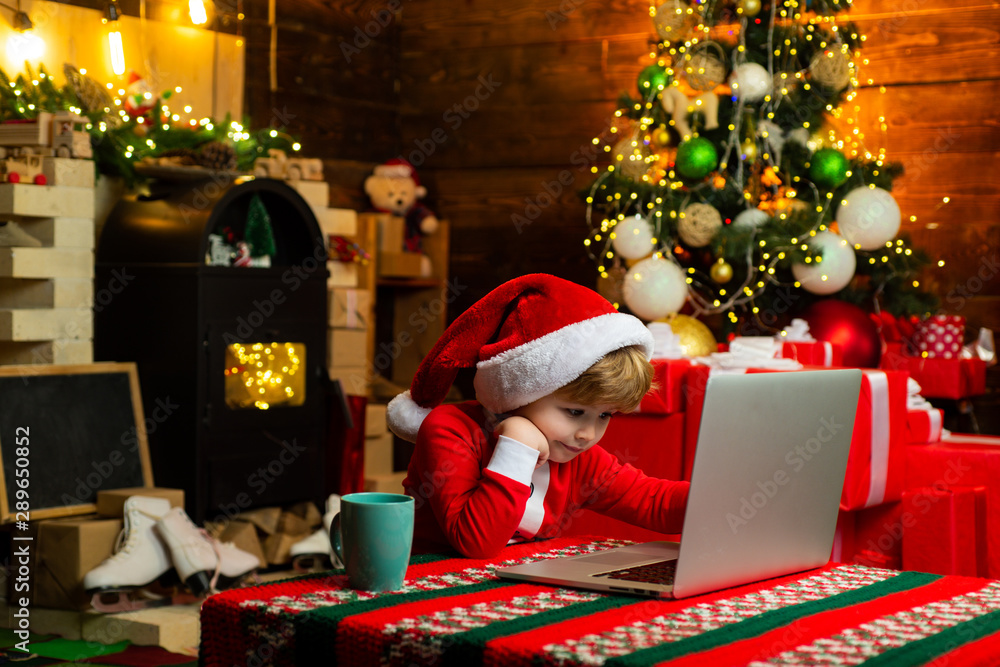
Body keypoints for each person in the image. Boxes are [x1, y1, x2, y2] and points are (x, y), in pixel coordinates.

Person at [387, 273, 690, 558]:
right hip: (430, 587)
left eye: (605, 415)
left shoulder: (576, 457)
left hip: (512, 590)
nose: (588, 434)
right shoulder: (451, 430)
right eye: (574, 412)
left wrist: (721, 491)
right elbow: (476, 543)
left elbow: (654, 502)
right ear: (525, 389)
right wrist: (517, 446)